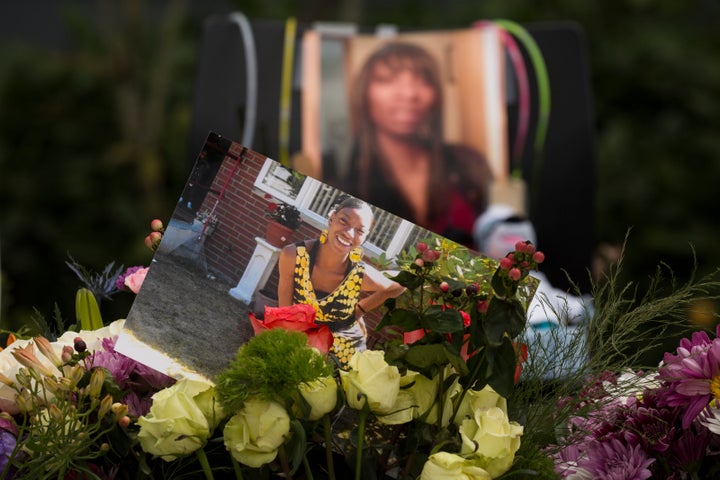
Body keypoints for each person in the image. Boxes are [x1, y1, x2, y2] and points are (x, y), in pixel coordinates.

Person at [323, 41, 493, 248]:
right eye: (387, 80)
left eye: (423, 80)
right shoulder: (345, 189)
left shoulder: (467, 163)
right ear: (364, 94)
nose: (409, 94)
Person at [277, 196, 405, 367]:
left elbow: (400, 286)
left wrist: (360, 308)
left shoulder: (360, 276)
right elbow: (285, 314)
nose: (349, 233)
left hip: (342, 355)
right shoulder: (293, 256)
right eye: (344, 221)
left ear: (364, 239)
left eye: (360, 231)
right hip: (299, 341)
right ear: (331, 219)